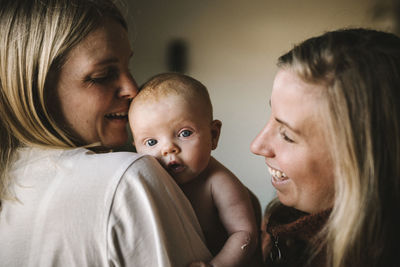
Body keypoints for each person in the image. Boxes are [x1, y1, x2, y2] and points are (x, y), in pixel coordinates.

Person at [0, 0, 212, 266]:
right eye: (102, 75)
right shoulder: (127, 178)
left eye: (128, 67)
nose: (132, 89)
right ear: (37, 90)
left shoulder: (13, 178)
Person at [251, 28, 400, 267]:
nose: (257, 145)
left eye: (287, 135)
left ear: (363, 159)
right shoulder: (276, 229)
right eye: (272, 116)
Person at [129, 73, 261, 267]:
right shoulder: (145, 180)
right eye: (151, 142)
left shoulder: (217, 181)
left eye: (184, 133)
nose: (168, 148)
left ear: (213, 135)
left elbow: (245, 234)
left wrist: (216, 265)